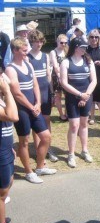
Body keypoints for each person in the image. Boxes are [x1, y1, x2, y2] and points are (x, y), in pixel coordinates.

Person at [5, 37, 56, 184]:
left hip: (34, 107)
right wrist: (31, 107)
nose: (27, 53)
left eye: (27, 50)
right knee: (24, 142)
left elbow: (35, 85)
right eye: (24, 51)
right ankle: (28, 172)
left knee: (46, 137)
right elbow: (17, 93)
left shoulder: (28, 64)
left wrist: (38, 103)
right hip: (22, 110)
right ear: (15, 51)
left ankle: (40, 167)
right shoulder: (10, 69)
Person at [60, 37, 97, 168]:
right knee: (74, 125)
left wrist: (86, 96)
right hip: (72, 98)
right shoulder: (66, 62)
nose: (85, 49)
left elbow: (93, 81)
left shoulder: (88, 60)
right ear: (76, 47)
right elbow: (63, 83)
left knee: (83, 124)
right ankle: (71, 154)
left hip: (86, 96)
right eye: (83, 47)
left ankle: (85, 150)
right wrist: (80, 95)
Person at [28, 30, 58, 163]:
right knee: (36, 122)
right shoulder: (27, 57)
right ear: (31, 41)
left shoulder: (45, 56)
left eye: (40, 41)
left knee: (46, 120)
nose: (39, 44)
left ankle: (47, 148)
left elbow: (48, 76)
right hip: (34, 94)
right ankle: (37, 149)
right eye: (36, 41)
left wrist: (52, 93)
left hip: (46, 92)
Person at [0, 72, 22, 223]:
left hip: (5, 149)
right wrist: (7, 90)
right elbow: (14, 117)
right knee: (1, 192)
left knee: (8, 184)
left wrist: (11, 146)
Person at [49, 34, 68, 121]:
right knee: (58, 96)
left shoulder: (67, 50)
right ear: (57, 42)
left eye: (65, 43)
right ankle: (61, 114)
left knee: (68, 95)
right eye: (61, 42)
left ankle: (67, 113)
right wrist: (60, 77)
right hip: (57, 76)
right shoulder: (53, 52)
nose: (63, 44)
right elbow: (55, 66)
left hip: (67, 75)